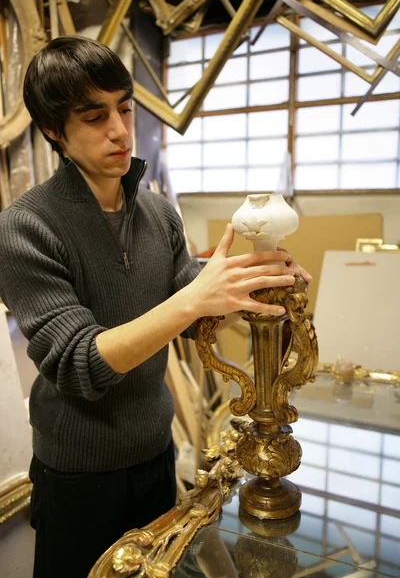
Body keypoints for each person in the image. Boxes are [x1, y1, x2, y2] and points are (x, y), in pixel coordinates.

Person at [0, 36, 311, 578]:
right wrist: (194, 298)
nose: (121, 130)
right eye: (95, 117)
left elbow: (191, 305)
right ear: (54, 131)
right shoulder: (25, 226)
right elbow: (78, 362)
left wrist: (255, 288)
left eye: (124, 107)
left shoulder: (157, 212)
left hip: (155, 454)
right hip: (78, 473)